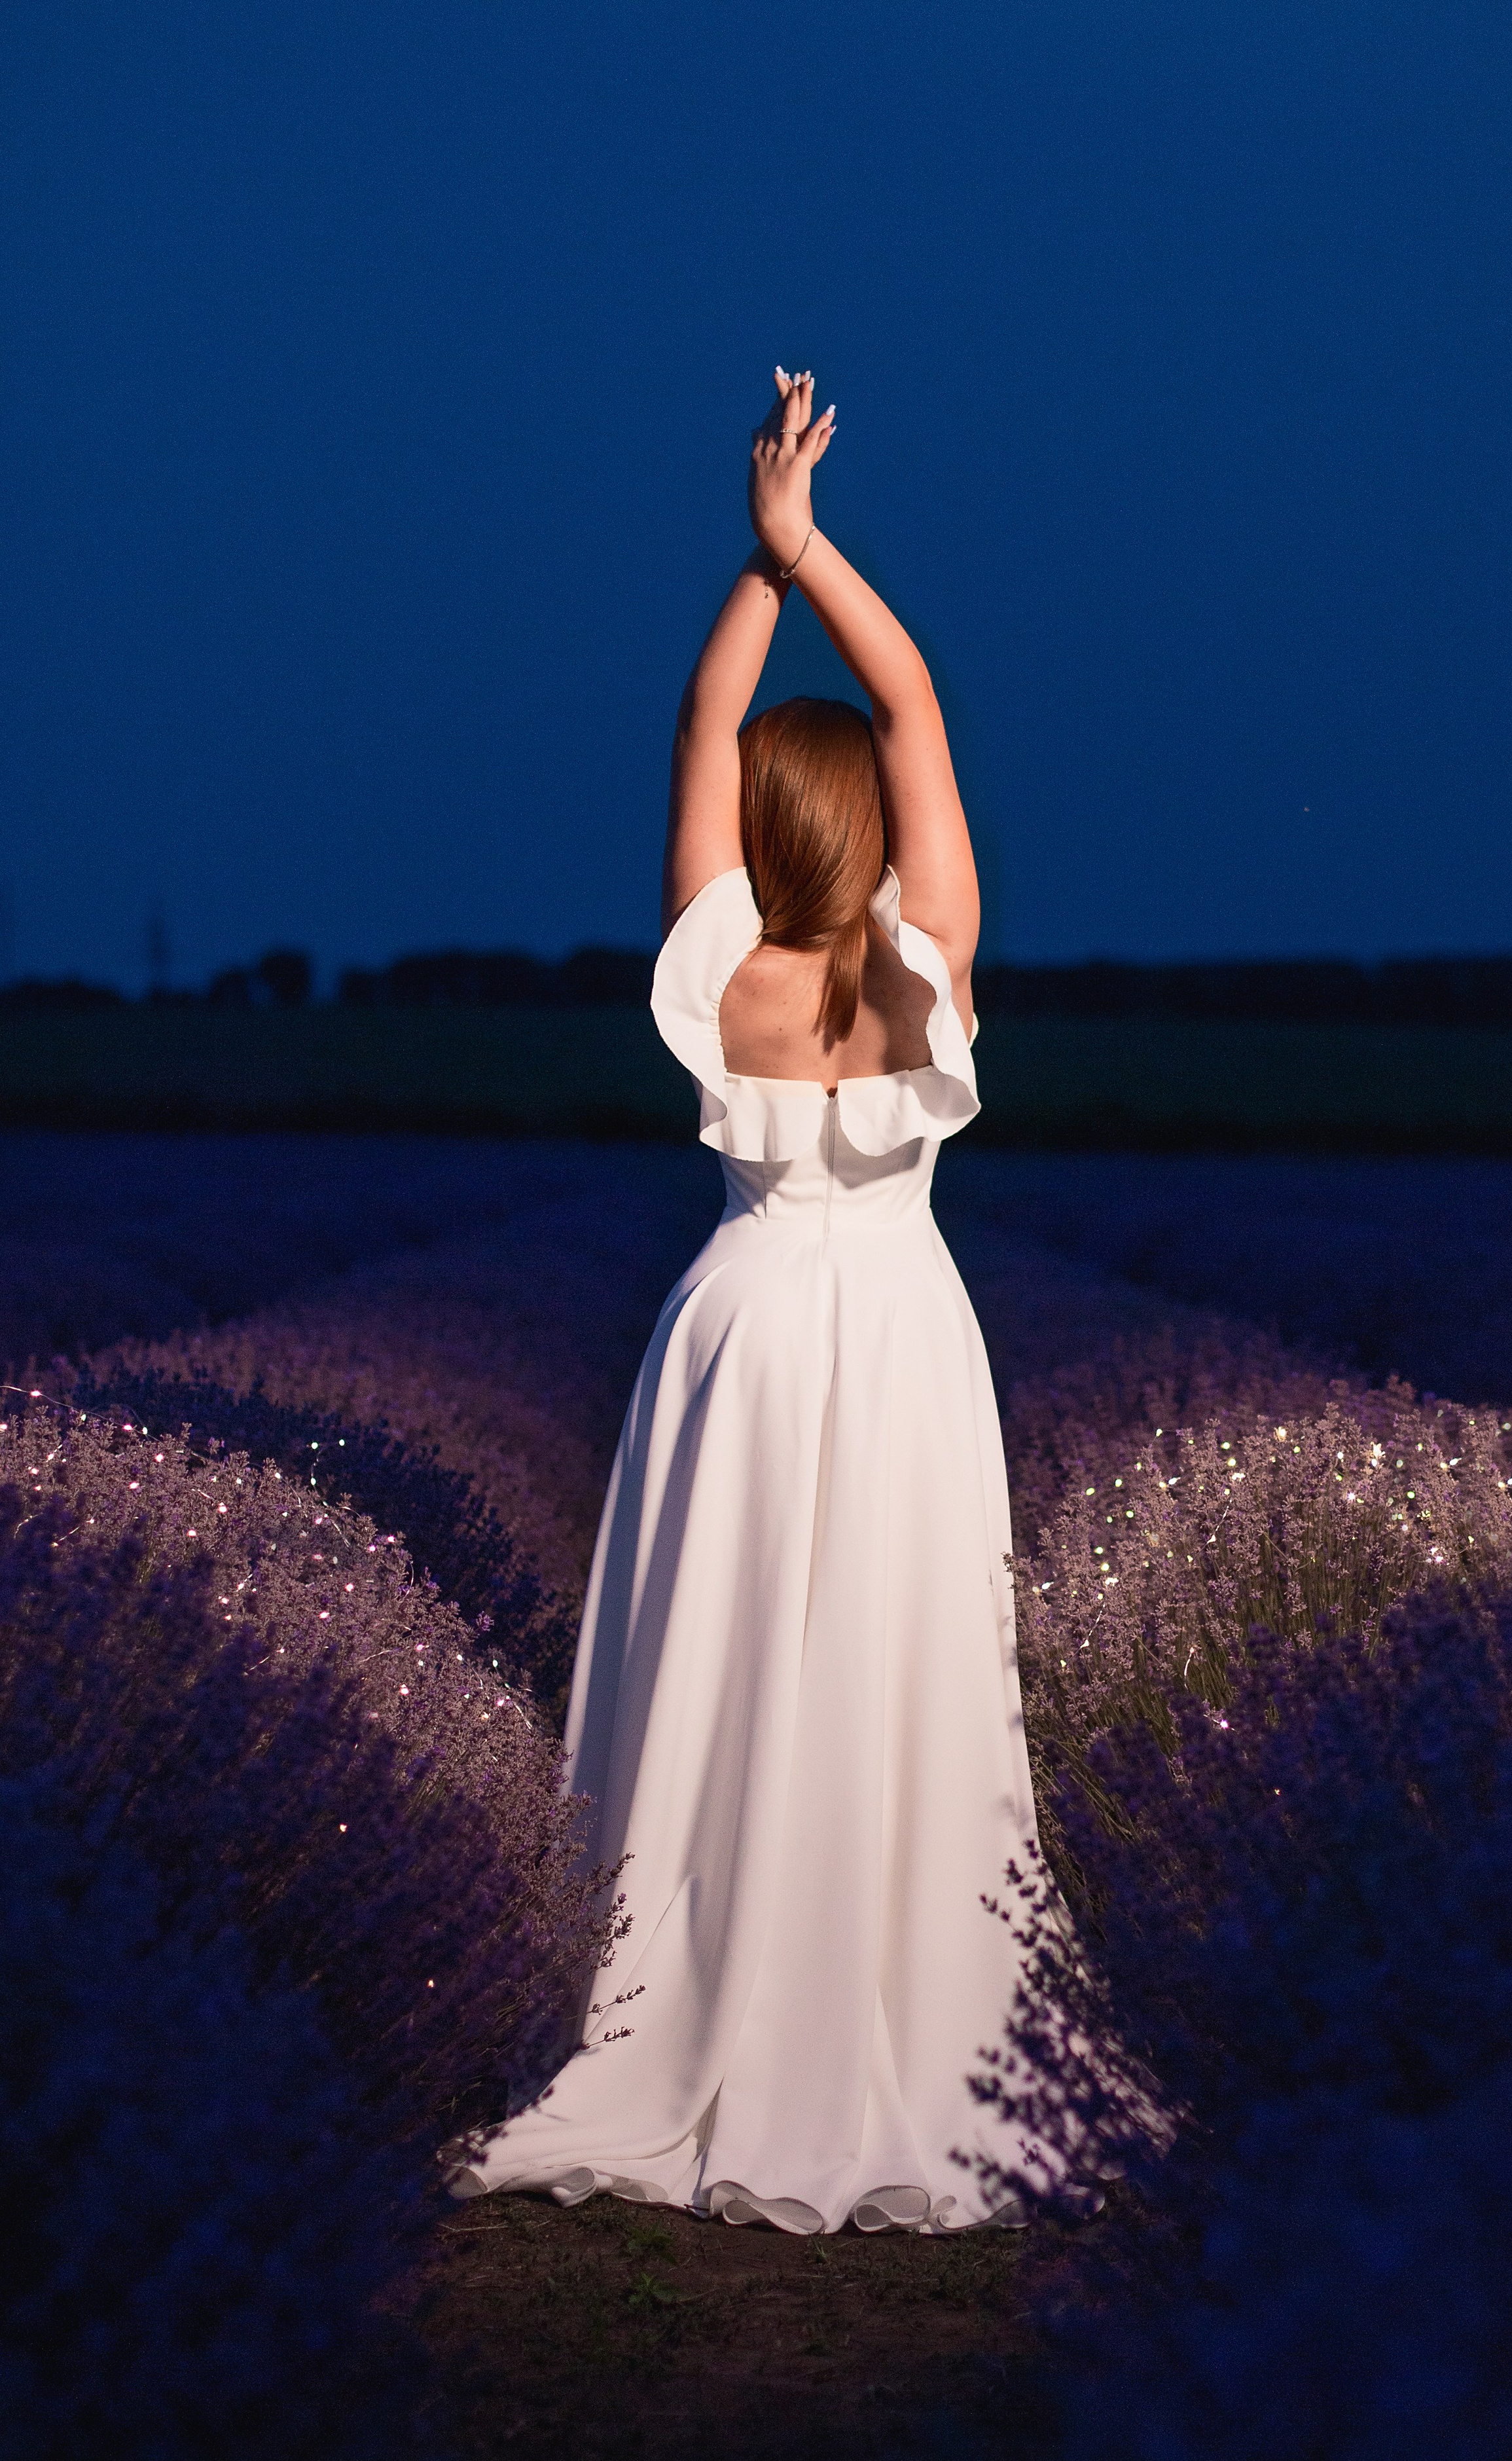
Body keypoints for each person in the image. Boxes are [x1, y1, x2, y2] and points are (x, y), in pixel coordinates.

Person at [452, 368, 1040, 2234]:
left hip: (742, 1332)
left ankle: (685, 2012)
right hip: (909, 1331)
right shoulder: (928, 960)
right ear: (869, 824)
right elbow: (914, 703)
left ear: (763, 826)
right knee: (898, 1659)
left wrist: (754, 563)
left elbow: (709, 715)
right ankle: (896, 2015)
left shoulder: (719, 967)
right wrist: (816, 547)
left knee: (718, 1671)